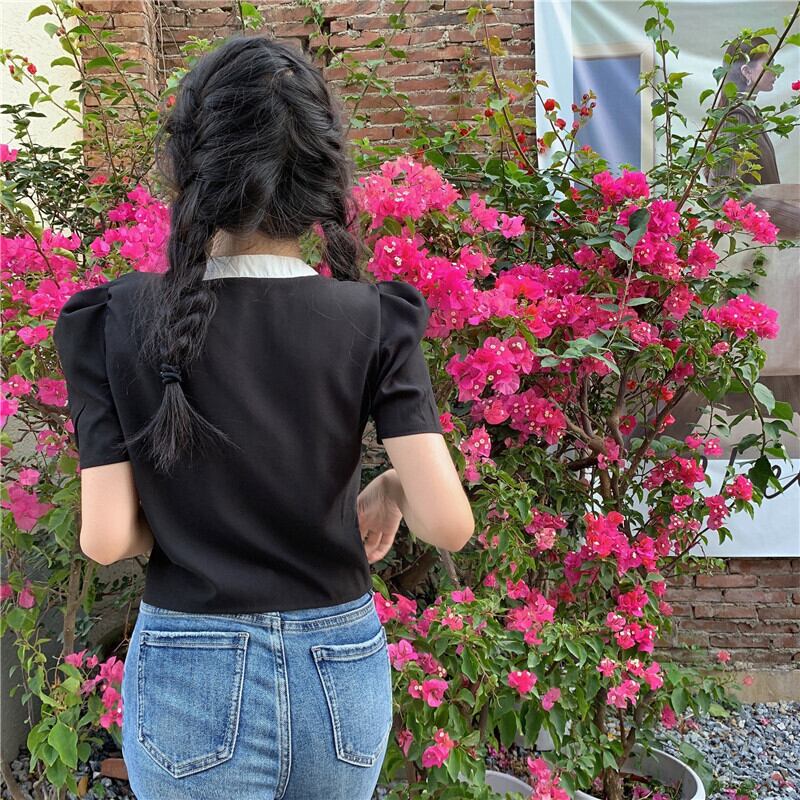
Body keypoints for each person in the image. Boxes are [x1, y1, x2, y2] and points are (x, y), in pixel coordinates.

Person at [52, 35, 474, 800]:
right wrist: (389, 488)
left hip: (190, 671)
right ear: (322, 174)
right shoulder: (374, 317)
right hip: (339, 673)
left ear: (189, 165)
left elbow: (107, 538)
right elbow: (447, 524)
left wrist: (175, 523)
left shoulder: (116, 318)